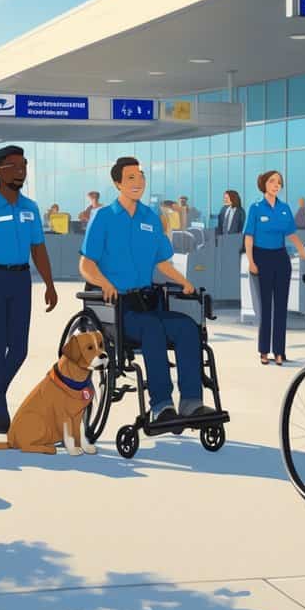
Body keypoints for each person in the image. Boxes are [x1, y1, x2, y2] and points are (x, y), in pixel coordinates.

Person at [79, 157, 214, 423]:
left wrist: (184, 281)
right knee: (152, 329)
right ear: (117, 183)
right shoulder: (104, 217)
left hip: (147, 304)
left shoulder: (151, 218)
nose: (138, 182)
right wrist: (105, 283)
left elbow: (162, 261)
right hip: (115, 308)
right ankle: (161, 405)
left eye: (140, 176)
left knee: (187, 327)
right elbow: (86, 264)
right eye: (130, 177)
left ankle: (191, 402)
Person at [0, 146, 59, 446]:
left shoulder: (31, 208)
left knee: (18, 349)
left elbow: (39, 249)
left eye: (24, 165)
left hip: (21, 281)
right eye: (13, 166)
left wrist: (49, 283)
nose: (21, 170)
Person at [245, 170, 305, 366]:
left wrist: (302, 250)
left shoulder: (284, 208)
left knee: (281, 307)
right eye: (272, 181)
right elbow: (249, 237)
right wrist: (251, 261)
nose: (276, 185)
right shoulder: (255, 208)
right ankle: (264, 351)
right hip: (261, 257)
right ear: (264, 184)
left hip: (281, 258)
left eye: (279, 182)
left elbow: (291, 233)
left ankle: (279, 351)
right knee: (266, 307)